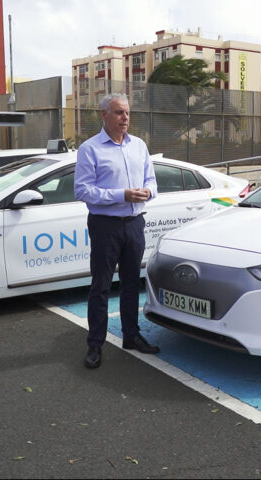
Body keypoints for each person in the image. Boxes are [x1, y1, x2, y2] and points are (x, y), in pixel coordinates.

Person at [75, 93, 160, 369]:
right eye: (119, 112)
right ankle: (95, 344)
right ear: (104, 115)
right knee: (100, 286)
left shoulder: (139, 145)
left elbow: (152, 180)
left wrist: (148, 191)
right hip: (105, 226)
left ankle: (131, 336)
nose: (125, 118)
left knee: (131, 284)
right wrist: (122, 194)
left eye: (127, 113)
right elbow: (82, 190)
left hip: (135, 224)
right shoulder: (90, 149)